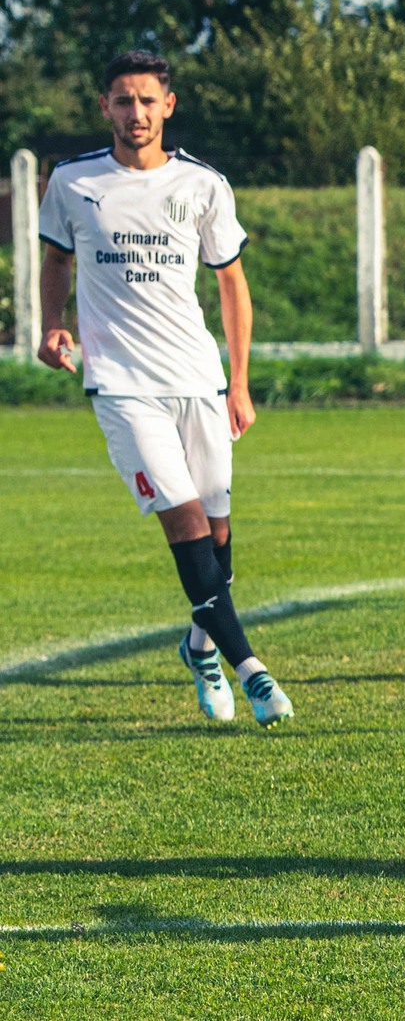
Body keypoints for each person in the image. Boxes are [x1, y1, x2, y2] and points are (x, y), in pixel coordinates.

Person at [36, 49, 292, 726]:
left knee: (217, 529)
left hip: (198, 379)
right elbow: (56, 259)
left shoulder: (204, 185)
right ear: (105, 107)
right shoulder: (73, 181)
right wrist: (52, 326)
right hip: (121, 385)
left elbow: (232, 285)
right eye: (123, 100)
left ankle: (199, 646)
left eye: (148, 100)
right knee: (182, 520)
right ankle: (251, 670)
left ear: (168, 105)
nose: (136, 112)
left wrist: (239, 380)